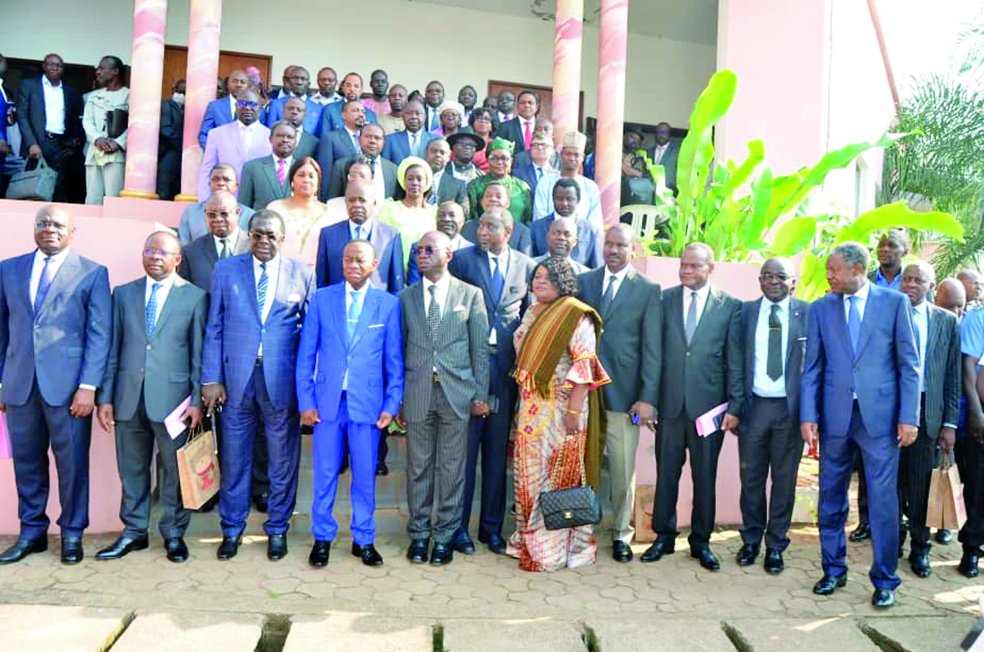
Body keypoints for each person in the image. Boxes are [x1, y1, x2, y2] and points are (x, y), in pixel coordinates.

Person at [801, 242, 920, 609]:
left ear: (857, 270)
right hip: (835, 417)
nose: (828, 276)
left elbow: (908, 365)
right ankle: (833, 570)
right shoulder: (821, 309)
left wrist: (908, 417)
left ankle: (885, 580)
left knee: (883, 502)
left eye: (833, 270)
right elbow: (813, 367)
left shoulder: (894, 303)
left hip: (880, 421)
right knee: (831, 498)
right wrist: (808, 416)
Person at [0, 206, 111, 565]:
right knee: (28, 463)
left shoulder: (92, 273)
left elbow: (100, 334)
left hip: (69, 391)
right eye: (43, 223)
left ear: (72, 230)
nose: (50, 229)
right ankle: (32, 531)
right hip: (19, 386)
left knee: (73, 464)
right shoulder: (9, 269)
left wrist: (89, 386)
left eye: (58, 224)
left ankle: (72, 533)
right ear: (34, 228)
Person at [202, 210, 314, 562]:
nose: (263, 241)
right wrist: (211, 379)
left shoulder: (302, 273)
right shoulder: (226, 270)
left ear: (283, 238)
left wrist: (306, 387)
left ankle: (278, 529)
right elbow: (214, 327)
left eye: (270, 235)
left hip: (281, 382)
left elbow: (311, 336)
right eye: (257, 235)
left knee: (282, 461)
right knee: (234, 458)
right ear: (248, 235)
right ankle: (232, 529)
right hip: (235, 382)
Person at [95, 231, 207, 564]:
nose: (155, 257)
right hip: (128, 397)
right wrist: (106, 397)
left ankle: (174, 534)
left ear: (178, 259)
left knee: (175, 471)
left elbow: (199, 354)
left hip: (175, 403)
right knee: (131, 469)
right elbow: (113, 349)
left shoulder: (195, 297)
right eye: (149, 250)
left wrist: (198, 401)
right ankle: (133, 532)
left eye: (163, 252)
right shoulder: (124, 294)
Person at [297, 240, 404, 568]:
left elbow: (394, 360)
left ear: (373, 265)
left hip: (368, 406)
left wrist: (391, 402)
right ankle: (323, 537)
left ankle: (364, 539)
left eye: (360, 260)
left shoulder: (387, 304)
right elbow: (306, 355)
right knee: (325, 473)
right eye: (347, 259)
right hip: (327, 404)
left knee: (364, 474)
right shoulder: (322, 299)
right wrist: (306, 400)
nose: (352, 265)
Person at [642, 243, 743, 572]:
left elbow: (734, 361)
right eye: (683, 265)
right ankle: (664, 537)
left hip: (708, 411)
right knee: (666, 475)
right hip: (670, 407)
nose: (686, 271)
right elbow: (654, 355)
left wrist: (735, 406)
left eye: (694, 266)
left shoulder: (729, 306)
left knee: (705, 477)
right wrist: (651, 401)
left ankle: (701, 541)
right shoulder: (665, 300)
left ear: (710, 268)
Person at [507, 257, 610, 571]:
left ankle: (555, 549)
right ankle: (527, 538)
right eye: (537, 277)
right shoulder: (531, 310)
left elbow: (584, 365)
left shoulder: (576, 315)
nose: (539, 282)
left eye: (547, 278)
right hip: (530, 410)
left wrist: (574, 411)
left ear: (563, 282)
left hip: (562, 411)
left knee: (559, 478)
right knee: (528, 479)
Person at [398, 231, 490, 566]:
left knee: (452, 469)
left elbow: (480, 349)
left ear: (448, 254)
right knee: (418, 467)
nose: (421, 255)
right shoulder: (405, 297)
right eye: (418, 250)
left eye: (428, 249)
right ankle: (420, 535)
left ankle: (445, 536)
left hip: (458, 394)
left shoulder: (471, 294)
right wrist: (399, 399)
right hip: (419, 392)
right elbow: (399, 350)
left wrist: (480, 395)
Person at [448, 208, 535, 556]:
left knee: (497, 456)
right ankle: (458, 529)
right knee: (465, 457)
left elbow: (528, 317)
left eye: (490, 226)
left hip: (505, 376)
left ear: (508, 231)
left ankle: (491, 530)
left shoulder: (526, 267)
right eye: (480, 225)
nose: (482, 231)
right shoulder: (464, 261)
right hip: (469, 372)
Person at [576, 224, 661, 562]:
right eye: (608, 244)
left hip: (627, 398)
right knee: (583, 465)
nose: (612, 250)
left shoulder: (648, 290)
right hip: (585, 393)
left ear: (632, 249)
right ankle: (581, 529)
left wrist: (647, 399)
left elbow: (652, 349)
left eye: (620, 245)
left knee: (624, 469)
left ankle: (621, 534)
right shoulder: (585, 283)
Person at [735, 258, 809, 574]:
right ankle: (751, 539)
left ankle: (776, 544)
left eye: (781, 276)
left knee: (784, 480)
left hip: (789, 412)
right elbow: (735, 362)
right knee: (751, 478)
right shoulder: (746, 313)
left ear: (793, 282)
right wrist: (735, 407)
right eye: (768, 275)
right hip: (754, 408)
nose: (774, 281)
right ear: (759, 280)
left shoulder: (807, 313)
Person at [896, 261, 961, 578]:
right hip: (891, 411)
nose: (910, 284)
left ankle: (920, 549)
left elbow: (952, 376)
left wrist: (950, 423)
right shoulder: (887, 315)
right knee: (889, 482)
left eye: (917, 280)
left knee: (922, 486)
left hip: (929, 411)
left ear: (930, 285)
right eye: (905, 279)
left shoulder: (946, 322)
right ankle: (892, 542)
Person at [17, 53, 85, 202]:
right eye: (51, 64)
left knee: (57, 188)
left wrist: (72, 145)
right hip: (36, 142)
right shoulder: (29, 85)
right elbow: (22, 116)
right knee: (32, 186)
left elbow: (75, 120)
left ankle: (52, 220)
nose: (55, 68)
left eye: (59, 65)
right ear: (44, 66)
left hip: (60, 145)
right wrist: (31, 143)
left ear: (63, 69)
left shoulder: (70, 91)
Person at [316, 182, 404, 292]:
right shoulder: (328, 235)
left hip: (378, 306)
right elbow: (321, 282)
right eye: (352, 200)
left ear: (374, 203)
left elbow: (397, 284)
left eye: (362, 200)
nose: (357, 205)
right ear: (345, 202)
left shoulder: (391, 236)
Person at [198, 89, 271, 201]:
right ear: (236, 106)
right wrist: (204, 201)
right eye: (242, 103)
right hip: (223, 201)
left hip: (256, 202)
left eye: (252, 104)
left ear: (260, 107)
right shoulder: (217, 134)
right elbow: (207, 169)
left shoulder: (270, 136)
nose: (247, 108)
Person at [267, 156, 339, 265]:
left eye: (311, 176)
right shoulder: (275, 208)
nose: (306, 180)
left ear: (318, 182)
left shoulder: (331, 214)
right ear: (292, 181)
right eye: (301, 175)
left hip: (316, 277)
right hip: (280, 272)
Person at [178, 191, 252, 292]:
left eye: (224, 214)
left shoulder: (253, 247)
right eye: (212, 215)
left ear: (237, 213)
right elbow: (185, 293)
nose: (218, 219)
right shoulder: (191, 252)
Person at [83, 55, 129, 205]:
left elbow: (135, 126)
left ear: (115, 71)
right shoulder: (93, 96)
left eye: (102, 68)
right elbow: (87, 121)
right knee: (92, 199)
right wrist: (97, 139)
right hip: (94, 153)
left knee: (113, 199)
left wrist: (118, 143)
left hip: (115, 155)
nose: (98, 72)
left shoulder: (128, 96)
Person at [532, 131, 602, 228]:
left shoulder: (591, 187)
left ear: (582, 157)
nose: (572, 158)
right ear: (561, 154)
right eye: (568, 154)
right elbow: (539, 217)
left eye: (576, 155)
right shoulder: (546, 183)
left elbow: (595, 223)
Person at [530, 178, 603, 268]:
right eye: (560, 199)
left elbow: (597, 270)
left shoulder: (591, 232)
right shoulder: (536, 228)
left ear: (578, 200)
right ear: (553, 199)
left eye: (570, 199)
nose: (564, 203)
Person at [378, 156, 436, 267]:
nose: (414, 183)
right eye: (410, 179)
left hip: (427, 270)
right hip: (396, 269)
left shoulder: (434, 213)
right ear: (403, 182)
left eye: (419, 179)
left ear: (427, 182)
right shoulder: (389, 209)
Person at [178, 164, 254, 245]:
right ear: (209, 184)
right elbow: (184, 245)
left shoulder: (249, 215)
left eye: (226, 179)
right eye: (215, 179)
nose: (221, 183)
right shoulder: (191, 212)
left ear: (236, 185)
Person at [465, 138, 532, 224]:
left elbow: (528, 218)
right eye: (494, 158)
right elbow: (472, 218)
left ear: (511, 161)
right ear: (487, 160)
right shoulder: (475, 186)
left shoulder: (522, 187)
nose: (499, 162)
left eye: (504, 158)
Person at [326, 123, 397, 202]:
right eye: (368, 137)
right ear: (359, 140)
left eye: (377, 138)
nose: (372, 141)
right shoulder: (341, 166)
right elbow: (333, 200)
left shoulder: (393, 169)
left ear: (384, 143)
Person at [408, 201, 473, 284]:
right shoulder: (419, 248)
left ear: (463, 220)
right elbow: (414, 284)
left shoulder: (473, 251)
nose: (446, 219)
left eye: (452, 215)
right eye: (441, 215)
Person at [461, 181, 533, 255]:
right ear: (482, 202)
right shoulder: (467, 227)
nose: (493, 199)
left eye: (499, 197)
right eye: (488, 196)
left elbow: (524, 262)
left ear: (508, 203)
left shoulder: (522, 231)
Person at [239, 120, 297, 210]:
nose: (285, 140)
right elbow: (244, 207)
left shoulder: (302, 169)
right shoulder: (252, 167)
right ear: (270, 139)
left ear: (295, 142)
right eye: (280, 136)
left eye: (290, 137)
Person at [315, 100, 365, 200]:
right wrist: (325, 200)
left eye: (363, 111)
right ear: (343, 115)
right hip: (339, 197)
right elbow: (325, 173)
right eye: (355, 111)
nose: (361, 114)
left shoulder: (368, 138)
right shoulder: (331, 138)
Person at [262, 67, 322, 136]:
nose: (299, 82)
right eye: (295, 78)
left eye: (303, 79)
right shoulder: (276, 104)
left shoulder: (318, 108)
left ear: (308, 83)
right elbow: (270, 130)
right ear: (289, 81)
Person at [198, 69, 250, 148]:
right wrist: (213, 154)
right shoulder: (215, 107)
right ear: (228, 84)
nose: (238, 85)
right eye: (235, 81)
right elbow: (204, 134)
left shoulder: (256, 108)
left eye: (242, 82)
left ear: (248, 86)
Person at [156, 79, 184, 200]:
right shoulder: (166, 105)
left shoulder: (186, 108)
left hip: (180, 156)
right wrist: (181, 144)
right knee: (164, 188)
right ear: (173, 90)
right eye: (180, 91)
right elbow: (165, 128)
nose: (182, 95)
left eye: (185, 92)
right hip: (168, 152)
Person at [382, 100, 433, 166]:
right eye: (409, 113)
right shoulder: (390, 140)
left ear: (425, 116)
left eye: (417, 113)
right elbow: (385, 166)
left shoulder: (435, 140)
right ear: (402, 116)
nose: (413, 117)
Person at [426, 138, 467, 208]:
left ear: (448, 157)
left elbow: (463, 212)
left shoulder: (458, 185)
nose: (438, 155)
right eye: (434, 151)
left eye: (442, 153)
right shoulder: (414, 179)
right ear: (426, 153)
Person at [512, 133, 556, 197]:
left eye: (544, 145)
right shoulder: (518, 174)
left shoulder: (557, 175)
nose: (540, 148)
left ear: (552, 150)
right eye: (535, 145)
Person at [648, 122, 680, 192]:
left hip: (670, 193)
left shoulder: (677, 151)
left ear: (669, 134)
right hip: (650, 192)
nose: (662, 135)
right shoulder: (649, 152)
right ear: (655, 134)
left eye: (665, 132)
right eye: (659, 132)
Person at [466, 107, 495, 173]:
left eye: (487, 119)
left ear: (492, 125)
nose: (483, 121)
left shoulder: (495, 144)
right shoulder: (467, 142)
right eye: (479, 118)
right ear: (473, 123)